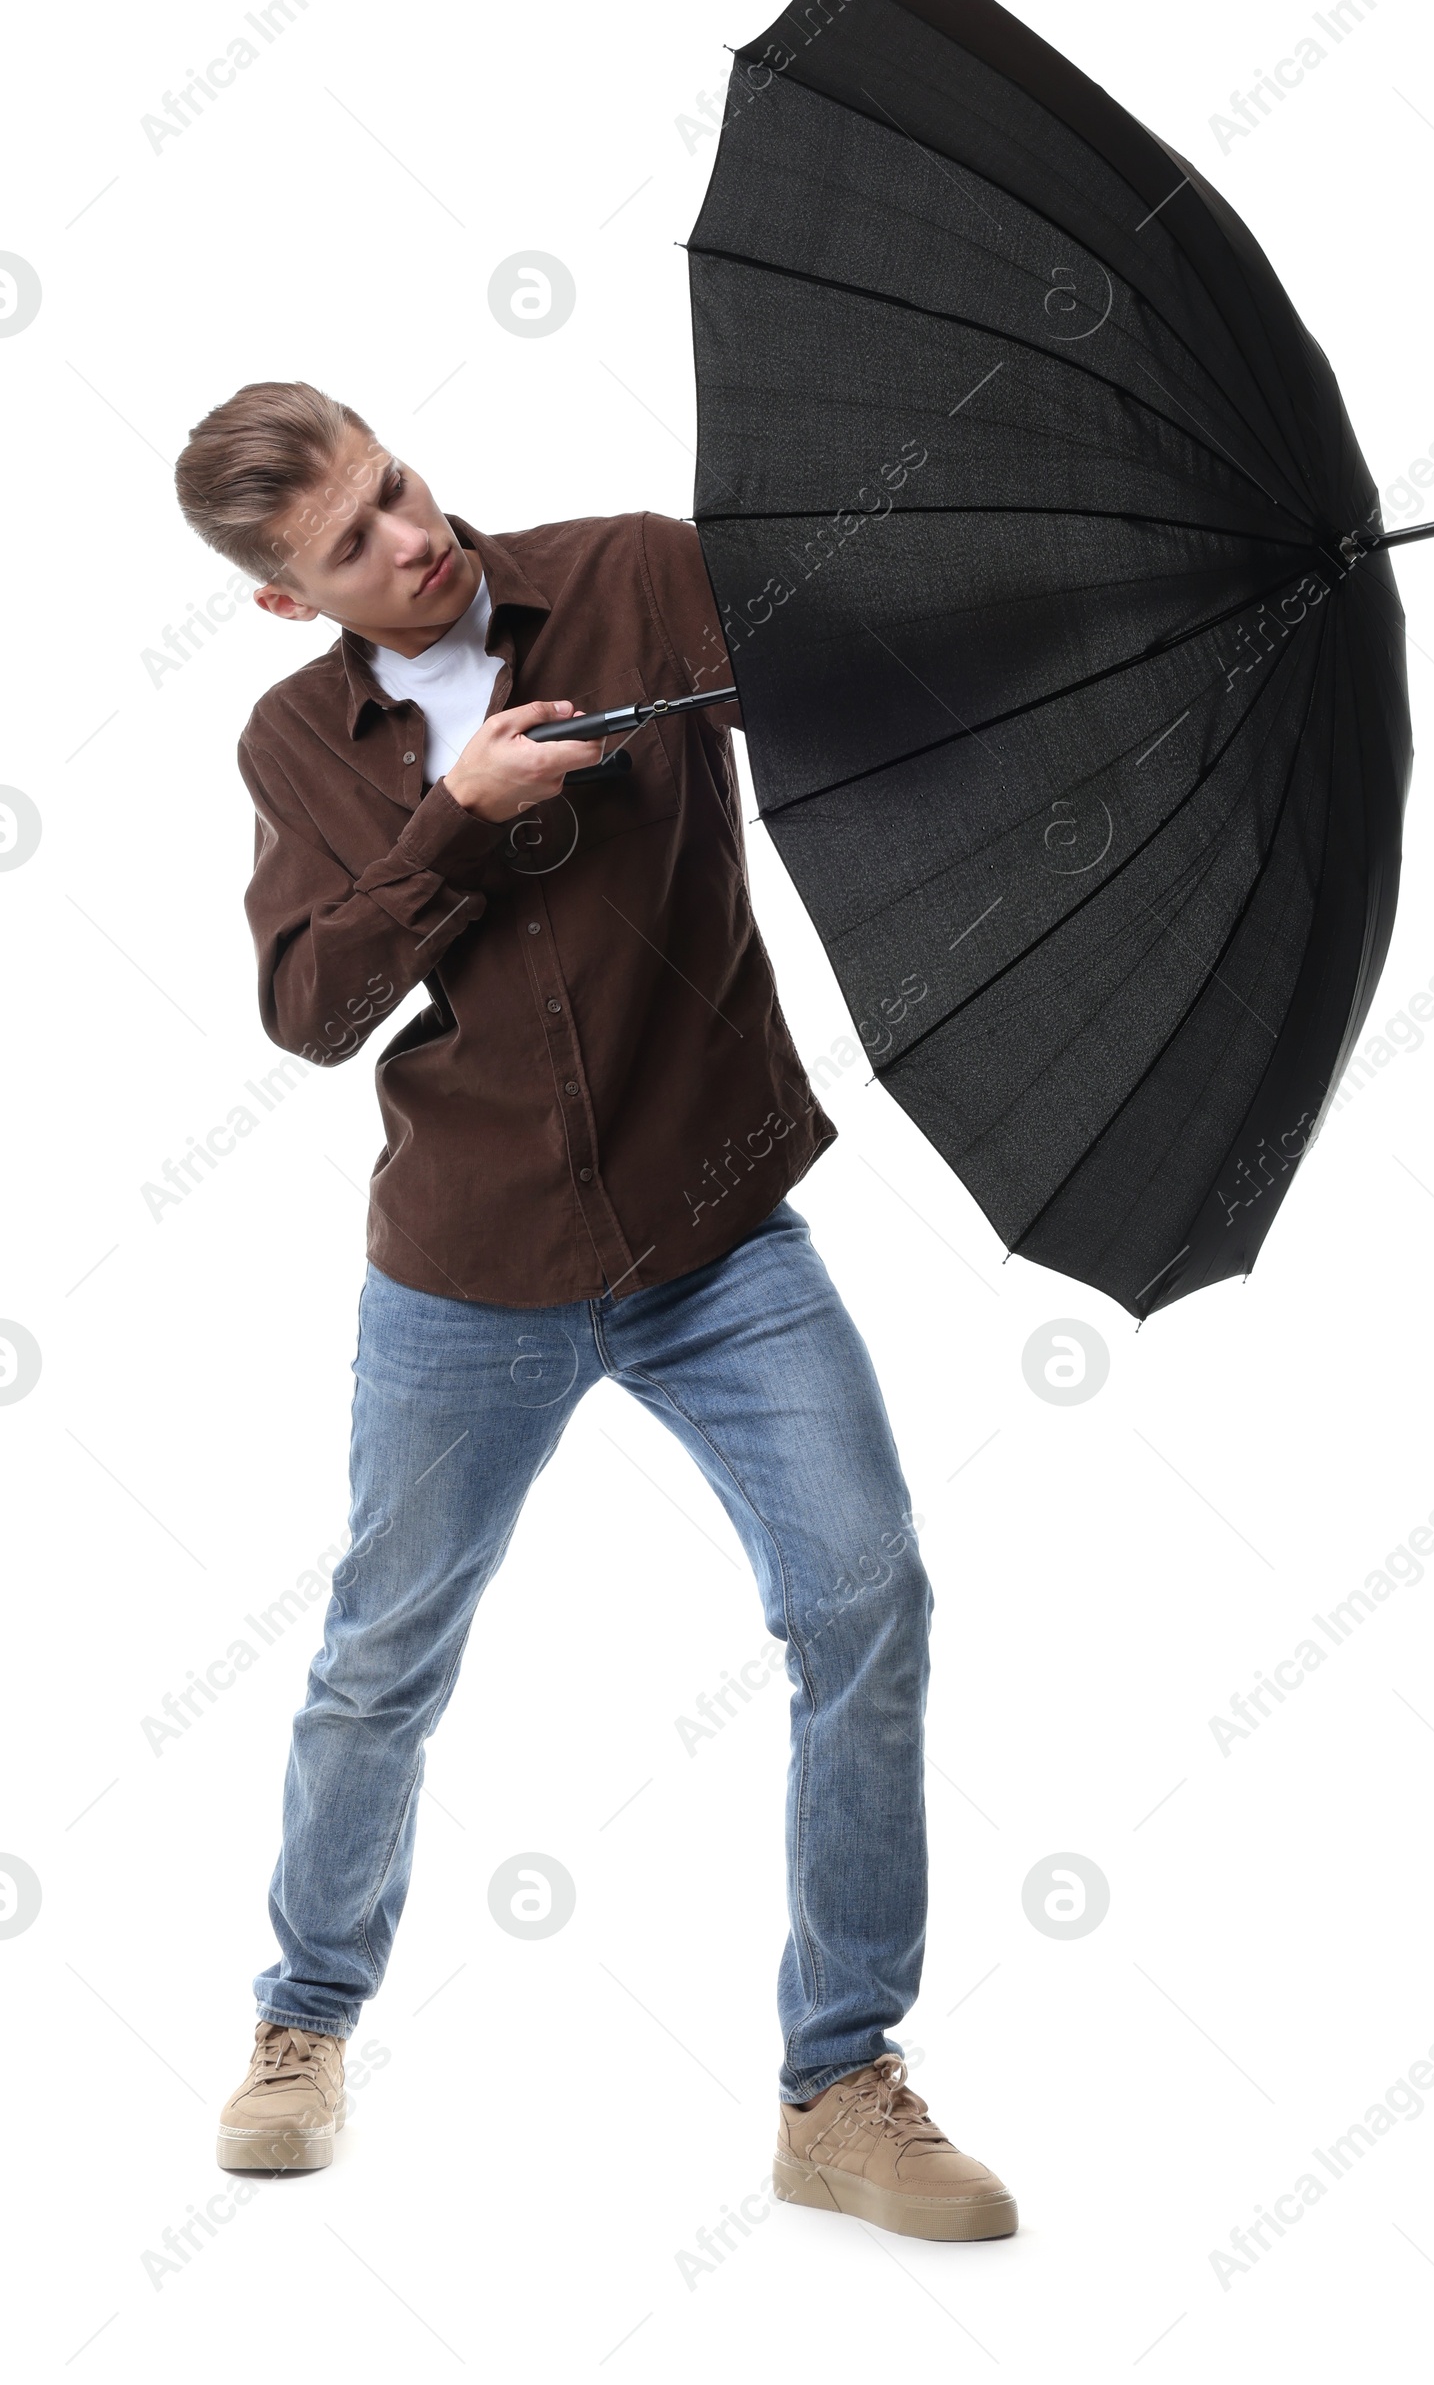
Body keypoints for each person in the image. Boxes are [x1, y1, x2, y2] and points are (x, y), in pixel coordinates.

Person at [173, 380, 1016, 2241]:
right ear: (286, 600)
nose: (412, 537)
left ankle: (839, 2082)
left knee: (866, 1597)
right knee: (383, 1653)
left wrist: (1082, 607)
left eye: (396, 485)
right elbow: (310, 1010)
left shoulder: (632, 576)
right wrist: (457, 819)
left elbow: (857, 654)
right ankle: (302, 2023)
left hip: (718, 1236)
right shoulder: (292, 742)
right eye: (351, 545)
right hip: (465, 1273)